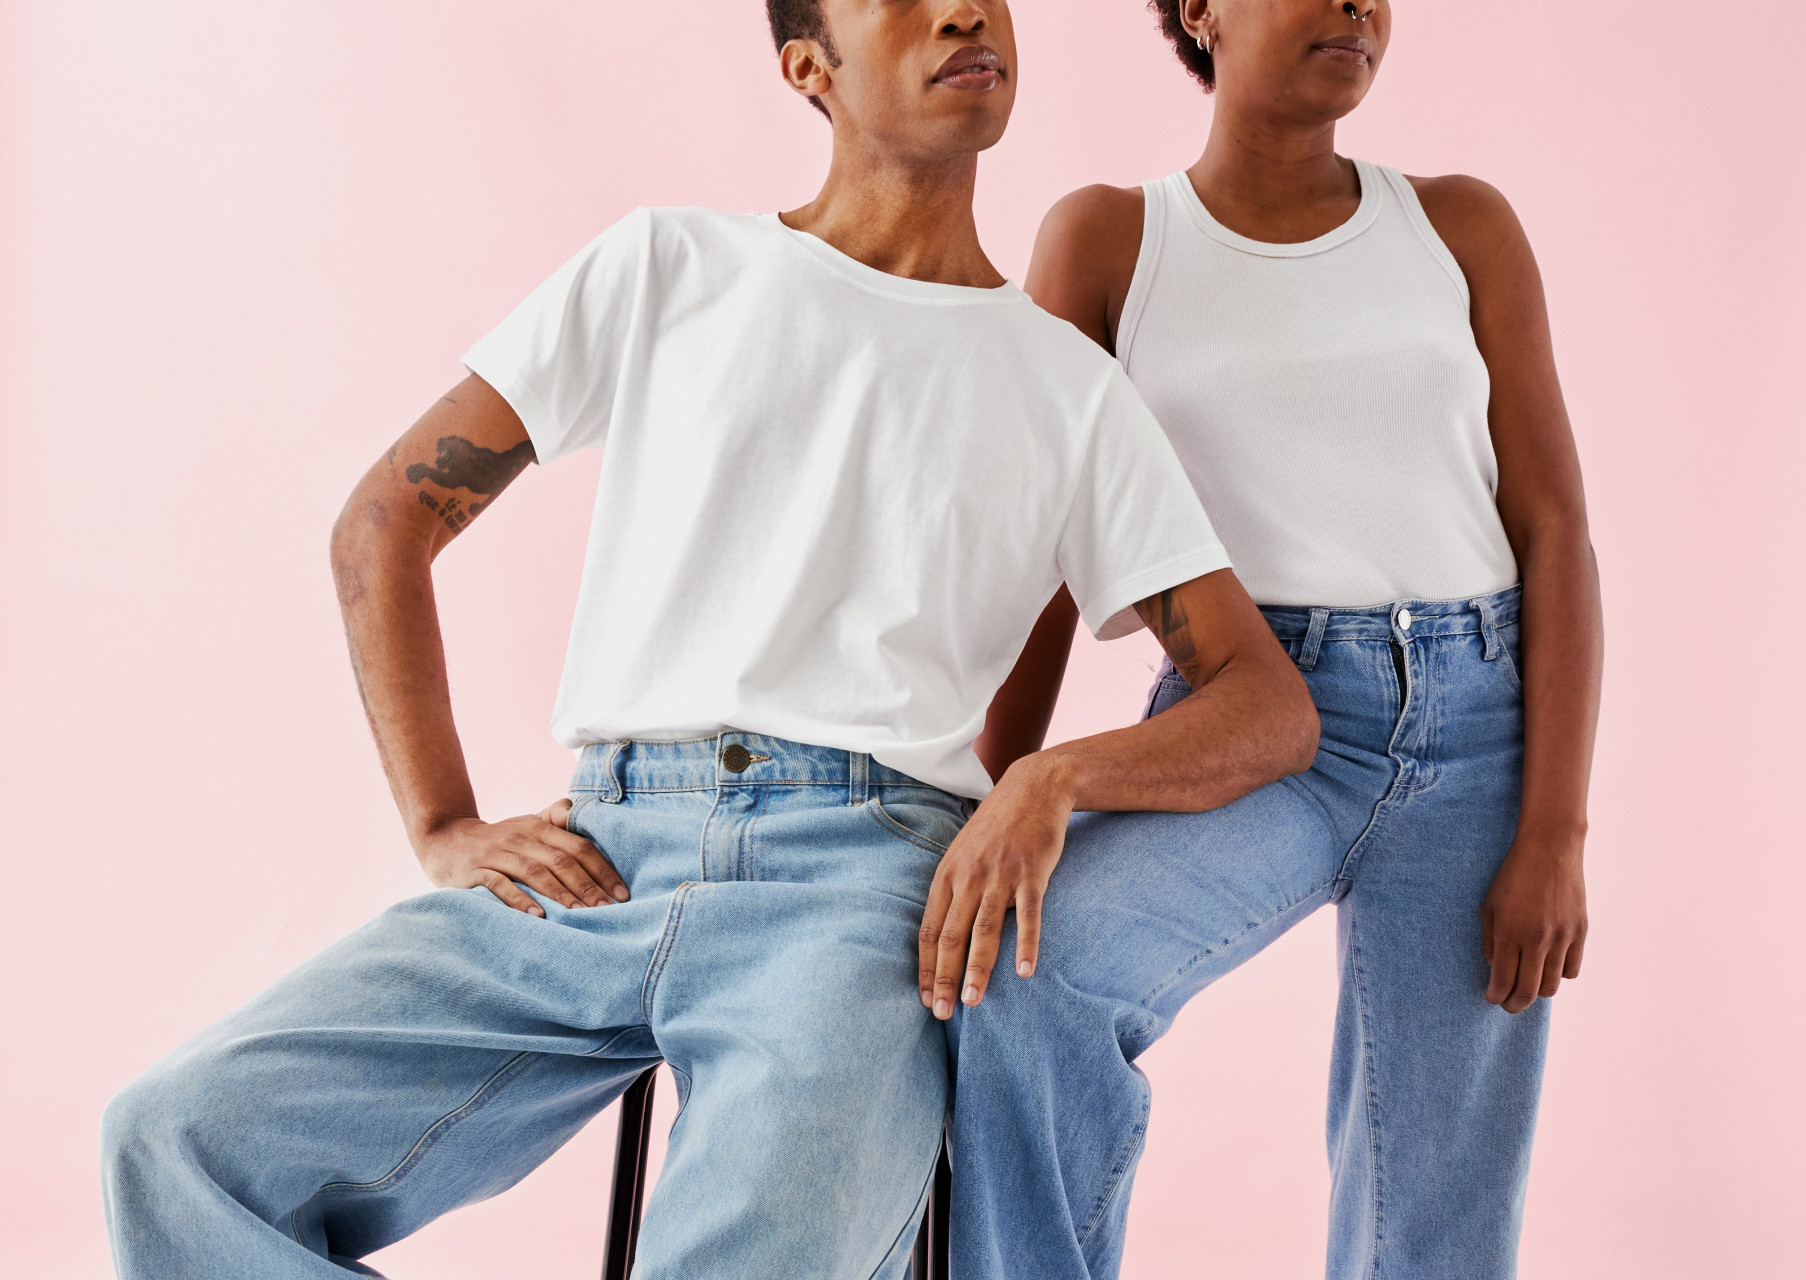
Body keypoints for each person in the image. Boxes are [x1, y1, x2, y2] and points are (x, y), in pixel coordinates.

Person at [96, 3, 1324, 1277]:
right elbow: (382, 524)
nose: (966, 9)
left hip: (851, 894)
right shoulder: (667, 269)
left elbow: (1267, 705)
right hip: (595, 861)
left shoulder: (1071, 394)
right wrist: (443, 821)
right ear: (809, 67)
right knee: (176, 1143)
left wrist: (1052, 777)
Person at [934, 1, 1603, 1277]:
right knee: (1028, 979)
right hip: (1247, 724)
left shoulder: (1460, 225)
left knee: (1436, 1218)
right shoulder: (1111, 237)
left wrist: (1555, 831)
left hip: (1476, 729)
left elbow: (1556, 528)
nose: (1356, 7)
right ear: (1201, 10)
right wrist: (970, 801)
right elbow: (1045, 557)